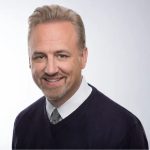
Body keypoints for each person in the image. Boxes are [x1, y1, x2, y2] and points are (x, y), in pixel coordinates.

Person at [12, 4, 148, 149]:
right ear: (29, 60)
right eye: (40, 57)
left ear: (83, 57)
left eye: (62, 56)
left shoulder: (122, 129)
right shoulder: (23, 123)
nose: (50, 70)